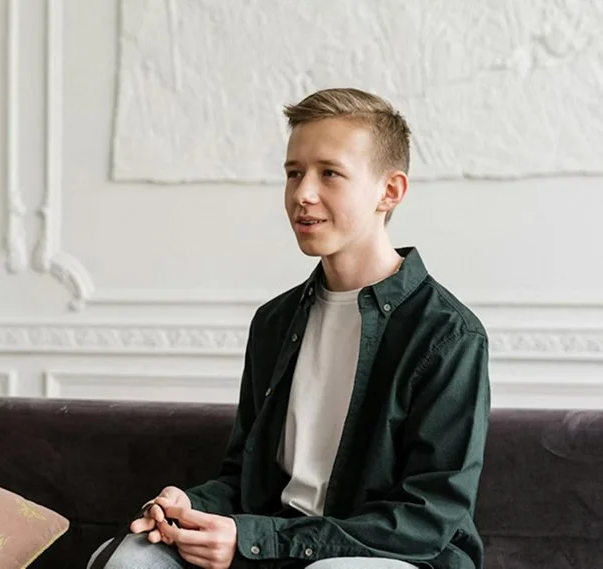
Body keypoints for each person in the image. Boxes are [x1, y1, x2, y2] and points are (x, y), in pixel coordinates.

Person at [88, 87, 491, 569]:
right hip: (273, 546)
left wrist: (254, 538)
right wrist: (189, 508)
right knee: (134, 557)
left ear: (391, 190)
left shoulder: (448, 335)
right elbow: (244, 478)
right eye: (294, 173)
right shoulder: (274, 324)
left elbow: (428, 520)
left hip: (389, 558)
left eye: (330, 174)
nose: (303, 193)